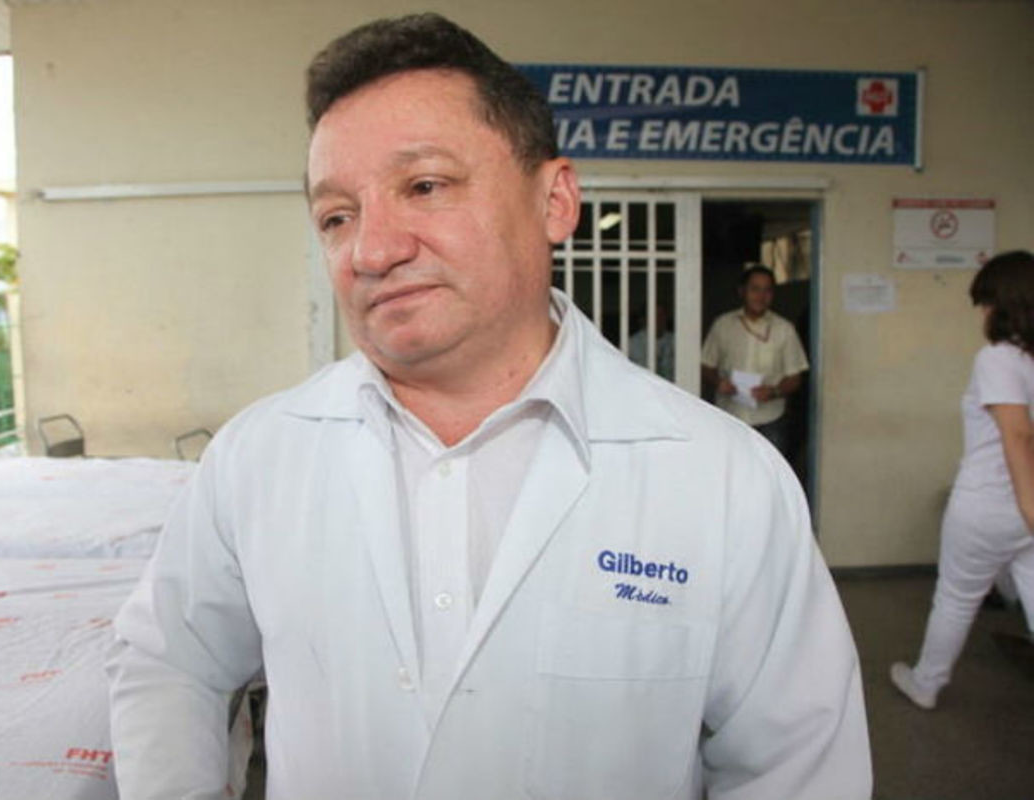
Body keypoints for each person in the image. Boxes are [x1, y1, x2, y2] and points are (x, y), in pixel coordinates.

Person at [107, 13, 870, 800]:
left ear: (555, 201)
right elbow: (169, 659)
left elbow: (796, 768)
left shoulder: (726, 480)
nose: (372, 250)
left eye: (425, 187)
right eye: (337, 217)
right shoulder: (258, 456)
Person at [891, 250, 1034, 710]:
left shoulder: (998, 358)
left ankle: (926, 683)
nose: (982, 314)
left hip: (992, 505)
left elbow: (1017, 433)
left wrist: (1029, 509)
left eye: (986, 303)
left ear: (1003, 304)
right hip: (1025, 504)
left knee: (955, 597)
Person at [701, 265, 809, 455]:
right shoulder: (723, 325)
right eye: (755, 289)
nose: (761, 296)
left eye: (767, 290)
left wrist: (774, 391)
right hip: (730, 417)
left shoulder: (784, 329)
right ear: (741, 291)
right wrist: (718, 382)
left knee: (770, 471)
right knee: (732, 469)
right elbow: (706, 365)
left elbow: (795, 377)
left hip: (771, 420)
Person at [628, 303, 675, 381]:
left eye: (662, 315)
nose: (659, 320)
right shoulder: (632, 344)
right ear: (644, 319)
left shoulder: (675, 341)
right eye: (655, 316)